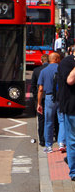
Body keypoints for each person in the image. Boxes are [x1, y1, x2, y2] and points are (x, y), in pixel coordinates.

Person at [37, 52, 66, 154]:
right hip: (61, 98)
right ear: (57, 59)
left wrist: (39, 103)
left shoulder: (44, 71)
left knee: (48, 122)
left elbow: (40, 89)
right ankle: (61, 142)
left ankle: (49, 146)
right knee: (62, 120)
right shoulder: (62, 69)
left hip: (49, 97)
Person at [57, 45, 75, 181]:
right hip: (72, 109)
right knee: (72, 141)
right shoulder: (67, 63)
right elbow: (70, 80)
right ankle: (74, 172)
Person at [30, 54, 49, 146]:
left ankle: (42, 139)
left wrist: (35, 97)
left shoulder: (36, 70)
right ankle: (52, 138)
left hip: (40, 97)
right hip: (50, 97)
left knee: (41, 119)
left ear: (41, 61)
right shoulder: (52, 69)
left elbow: (33, 85)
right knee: (50, 119)